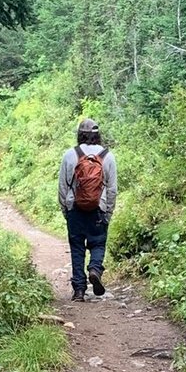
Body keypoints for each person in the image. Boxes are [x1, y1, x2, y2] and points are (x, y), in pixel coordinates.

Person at [58, 118, 117, 302]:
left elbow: (62, 186)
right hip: (98, 208)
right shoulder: (108, 156)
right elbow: (112, 188)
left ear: (79, 134)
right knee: (98, 243)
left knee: (77, 248)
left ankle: (79, 291)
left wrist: (65, 210)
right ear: (97, 135)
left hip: (74, 208)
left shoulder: (70, 155)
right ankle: (95, 270)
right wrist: (108, 212)